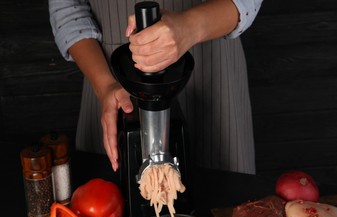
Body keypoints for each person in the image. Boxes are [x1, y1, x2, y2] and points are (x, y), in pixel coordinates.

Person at [49, 0, 263, 175]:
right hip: (114, 83)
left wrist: (189, 27)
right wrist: (105, 85)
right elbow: (67, 8)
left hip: (215, 74)